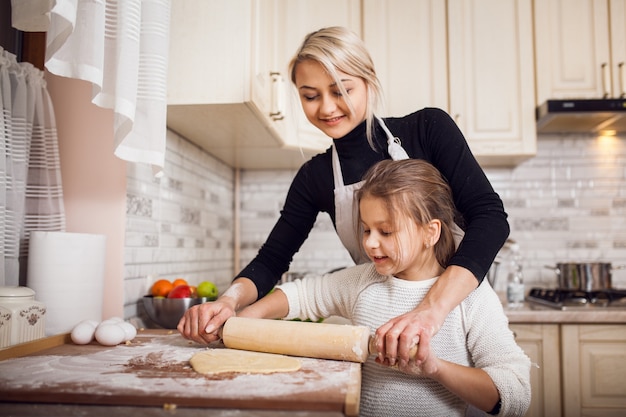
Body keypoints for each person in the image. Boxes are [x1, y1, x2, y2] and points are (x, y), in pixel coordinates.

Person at [178, 26, 510, 365]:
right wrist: (229, 302)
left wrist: (431, 310)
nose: (326, 107)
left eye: (341, 90)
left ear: (368, 80)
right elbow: (271, 260)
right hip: (379, 323)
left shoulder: (428, 129)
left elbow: (490, 218)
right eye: (310, 96)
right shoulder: (315, 176)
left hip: (454, 313)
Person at [239, 159, 531, 417]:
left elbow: (515, 393)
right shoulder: (363, 281)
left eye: (386, 231)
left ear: (431, 232)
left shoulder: (470, 297)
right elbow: (301, 295)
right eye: (366, 229)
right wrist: (242, 319)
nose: (370, 243)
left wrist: (435, 368)